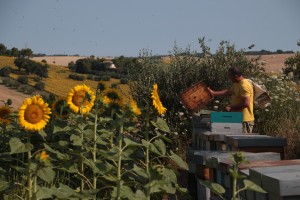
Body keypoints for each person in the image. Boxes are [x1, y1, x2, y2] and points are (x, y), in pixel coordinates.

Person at [207, 66, 254, 133]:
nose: (229, 78)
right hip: (237, 118)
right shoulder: (237, 83)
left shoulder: (244, 86)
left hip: (245, 120)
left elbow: (246, 103)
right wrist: (213, 93)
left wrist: (230, 107)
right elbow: (229, 92)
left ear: (236, 76)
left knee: (242, 142)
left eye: (230, 76)